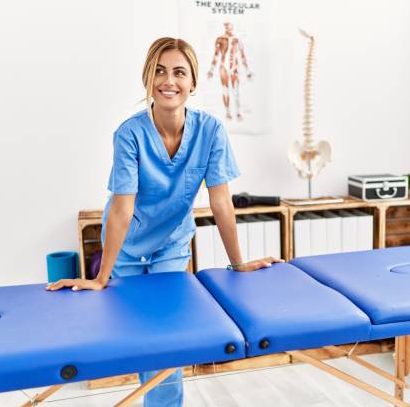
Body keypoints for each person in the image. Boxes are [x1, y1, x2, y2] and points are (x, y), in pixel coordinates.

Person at [46, 37, 283, 407]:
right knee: (141, 337)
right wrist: (101, 278)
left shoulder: (210, 131)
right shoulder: (130, 134)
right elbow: (122, 208)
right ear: (147, 78)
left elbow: (220, 202)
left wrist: (238, 264)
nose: (168, 80)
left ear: (192, 82)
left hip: (171, 246)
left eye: (178, 72)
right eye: (159, 71)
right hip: (125, 246)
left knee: (166, 337)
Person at [207, 22, 252, 120]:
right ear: (225, 28)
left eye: (230, 27)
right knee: (225, 90)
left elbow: (242, 55)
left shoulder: (237, 39)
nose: (228, 29)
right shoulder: (220, 39)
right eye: (226, 27)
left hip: (234, 67)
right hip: (223, 67)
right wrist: (211, 70)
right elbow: (216, 55)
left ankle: (238, 112)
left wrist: (247, 70)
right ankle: (227, 112)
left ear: (232, 27)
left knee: (236, 90)